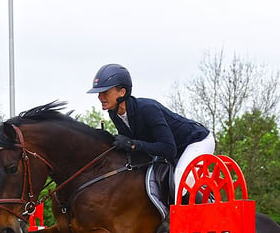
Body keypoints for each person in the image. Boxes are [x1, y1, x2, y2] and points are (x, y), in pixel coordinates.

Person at [87, 63, 215, 208]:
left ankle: (212, 209)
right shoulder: (114, 114)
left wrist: (133, 144)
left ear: (122, 92)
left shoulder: (148, 109)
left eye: (105, 92)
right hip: (173, 149)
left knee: (180, 178)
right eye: (99, 93)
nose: (100, 97)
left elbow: (168, 148)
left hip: (196, 141)